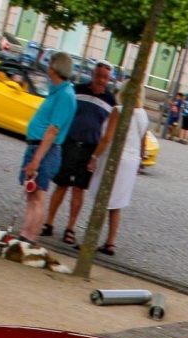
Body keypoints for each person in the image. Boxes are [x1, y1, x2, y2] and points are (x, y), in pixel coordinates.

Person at [42, 61, 119, 246]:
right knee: (61, 184)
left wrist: (96, 155)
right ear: (92, 74)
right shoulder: (77, 90)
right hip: (69, 142)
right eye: (99, 76)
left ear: (109, 79)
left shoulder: (111, 101)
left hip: (90, 148)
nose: (101, 80)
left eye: (105, 78)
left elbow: (109, 130)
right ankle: (49, 222)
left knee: (79, 189)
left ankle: (70, 227)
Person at [17, 52, 76, 244]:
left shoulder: (65, 96)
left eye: (50, 64)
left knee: (38, 196)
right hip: (37, 147)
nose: (47, 68)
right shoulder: (57, 92)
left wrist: (36, 160)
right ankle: (24, 236)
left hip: (44, 150)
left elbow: (53, 130)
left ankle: (30, 239)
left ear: (55, 68)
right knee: (32, 194)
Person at [84, 89, 149, 257]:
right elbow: (143, 141)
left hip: (115, 158)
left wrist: (94, 157)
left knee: (102, 199)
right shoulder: (143, 114)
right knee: (117, 204)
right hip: (131, 161)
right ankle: (110, 242)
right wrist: (140, 160)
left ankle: (90, 240)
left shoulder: (119, 111)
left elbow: (107, 138)